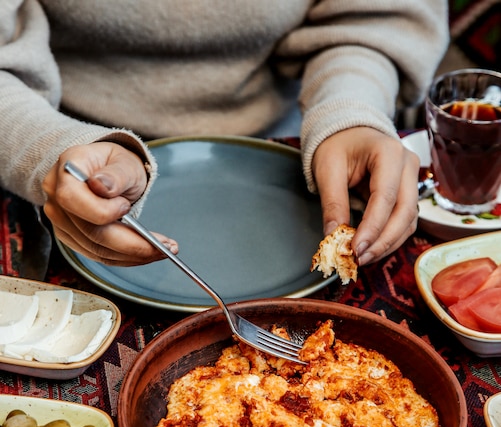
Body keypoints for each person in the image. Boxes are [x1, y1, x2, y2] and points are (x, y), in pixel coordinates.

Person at [0, 1, 449, 268]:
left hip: (300, 149)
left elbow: (374, 20)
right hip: (60, 159)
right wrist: (49, 149)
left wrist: (350, 110)